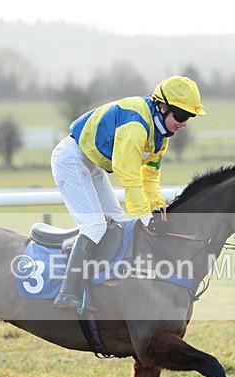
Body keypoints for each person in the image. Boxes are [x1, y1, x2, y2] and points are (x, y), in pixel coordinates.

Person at [50, 75, 205, 310]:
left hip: (92, 163)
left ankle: (104, 287)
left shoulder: (161, 136)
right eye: (181, 116)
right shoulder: (136, 124)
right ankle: (68, 292)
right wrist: (144, 215)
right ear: (162, 108)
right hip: (71, 159)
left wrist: (157, 208)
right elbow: (128, 172)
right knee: (94, 226)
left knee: (117, 224)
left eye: (189, 117)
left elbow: (150, 177)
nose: (184, 123)